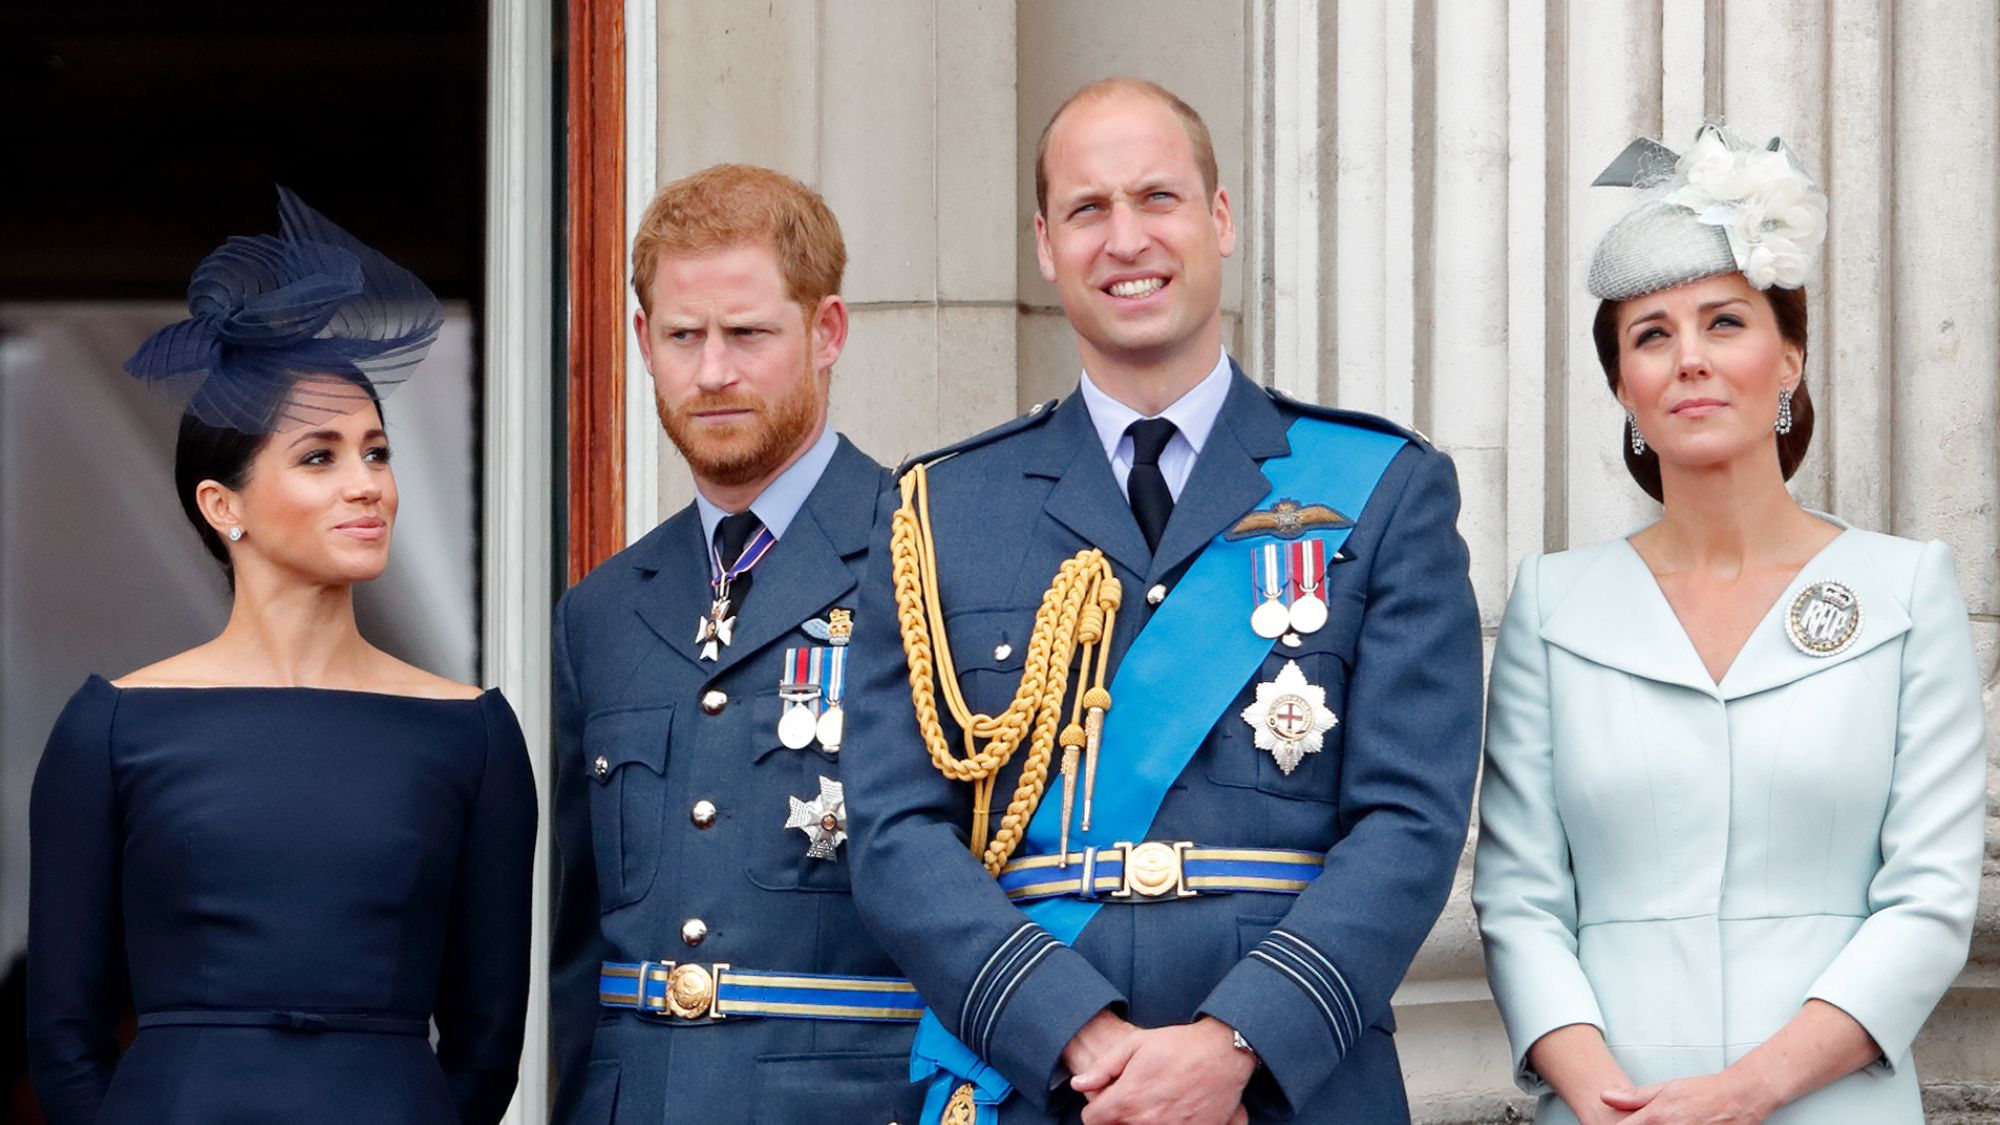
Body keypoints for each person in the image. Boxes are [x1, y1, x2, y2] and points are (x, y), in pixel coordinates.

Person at [842, 78, 1483, 1124]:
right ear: (1045, 245)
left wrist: (1236, 1045)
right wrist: (1073, 1034)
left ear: (1218, 221)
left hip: (1285, 1087)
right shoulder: (939, 510)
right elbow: (894, 832)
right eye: (1088, 210)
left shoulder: (1380, 488)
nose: (1125, 238)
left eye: (1157, 198)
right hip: (1042, 1084)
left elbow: (1408, 821)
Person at [1473, 127, 1988, 1124]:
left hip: (1832, 1104)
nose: (1689, 360)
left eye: (1723, 322)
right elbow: (1519, 898)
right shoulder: (1552, 605)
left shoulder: (1903, 589)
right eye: (1650, 335)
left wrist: (1743, 1093)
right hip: (1606, 1110)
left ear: (1787, 358)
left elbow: (1926, 901)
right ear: (1622, 388)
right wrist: (1604, 1099)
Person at [26, 188, 537, 1124]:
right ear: (225, 506)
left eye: (377, 453)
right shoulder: (111, 726)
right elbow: (62, 1031)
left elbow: (487, 1040)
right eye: (320, 457)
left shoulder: (474, 733)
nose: (368, 486)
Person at [550, 163, 925, 1124]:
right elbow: (579, 952)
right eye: (683, 335)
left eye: (748, 333)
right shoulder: (599, 612)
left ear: (826, 331)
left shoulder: (928, 560)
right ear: (644, 342)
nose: (712, 371)